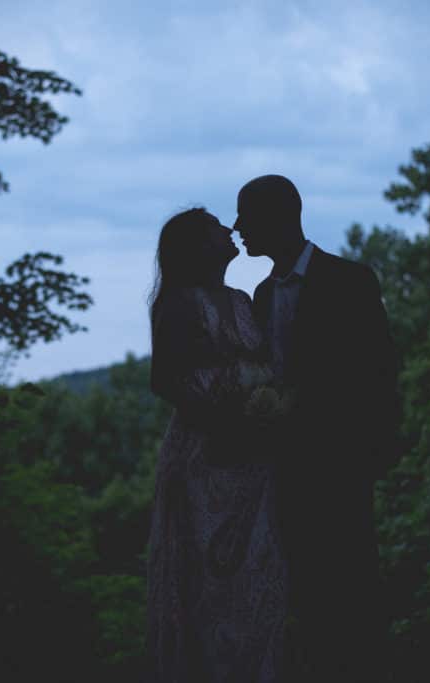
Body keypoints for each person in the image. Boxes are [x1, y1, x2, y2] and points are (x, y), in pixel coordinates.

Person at [234, 174, 402, 682]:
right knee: (301, 588)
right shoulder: (259, 296)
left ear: (279, 216)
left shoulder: (350, 280)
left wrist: (372, 453)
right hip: (284, 472)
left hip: (341, 464)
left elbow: (378, 371)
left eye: (247, 215)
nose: (238, 226)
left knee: (351, 584)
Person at [145, 207, 291, 683]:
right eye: (214, 225)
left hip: (253, 458)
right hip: (205, 459)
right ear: (195, 244)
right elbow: (167, 380)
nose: (228, 229)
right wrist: (225, 415)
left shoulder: (242, 298)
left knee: (257, 575)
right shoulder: (178, 302)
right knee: (207, 580)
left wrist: (263, 409)